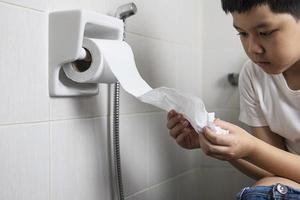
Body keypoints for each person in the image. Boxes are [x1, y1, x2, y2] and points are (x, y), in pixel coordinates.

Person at [166, 1, 300, 199]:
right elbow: (275, 172)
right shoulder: (254, 74)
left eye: (265, 32)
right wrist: (217, 142)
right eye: (243, 34)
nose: (253, 48)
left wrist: (252, 147)